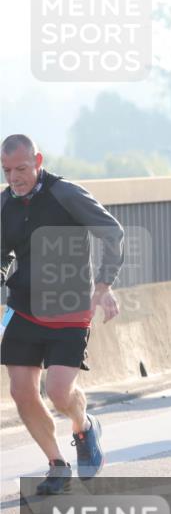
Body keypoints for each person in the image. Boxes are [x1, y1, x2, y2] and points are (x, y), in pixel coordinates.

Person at [1, 134, 124, 495]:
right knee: (22, 392)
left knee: (57, 392)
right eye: (7, 171)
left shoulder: (66, 194)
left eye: (21, 169)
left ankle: (83, 424)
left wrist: (102, 286)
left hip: (70, 308)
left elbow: (113, 234)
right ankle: (57, 464)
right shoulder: (5, 205)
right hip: (24, 308)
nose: (14, 178)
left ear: (38, 160)